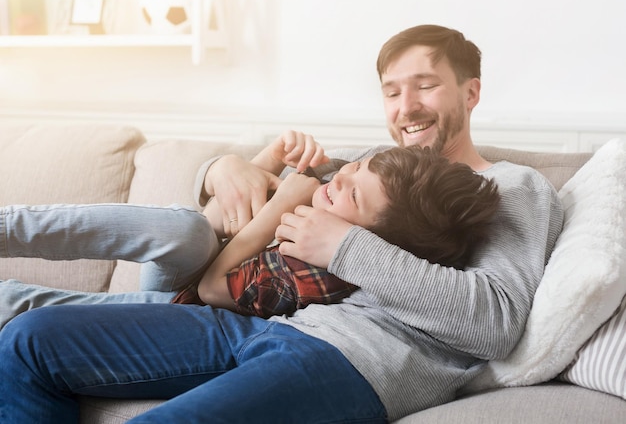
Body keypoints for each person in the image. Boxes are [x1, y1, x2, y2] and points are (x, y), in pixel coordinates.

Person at [0, 24, 564, 424]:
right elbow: (268, 179)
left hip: (355, 359)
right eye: (392, 91)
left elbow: (495, 319)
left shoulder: (512, 187)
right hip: (260, 322)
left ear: (471, 93)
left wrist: (342, 245)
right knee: (26, 340)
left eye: (425, 85)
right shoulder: (369, 162)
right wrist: (222, 168)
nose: (406, 106)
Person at [0, 132, 498, 324]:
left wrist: (279, 202)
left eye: (350, 190)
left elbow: (213, 288)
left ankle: (11, 301)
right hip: (195, 252)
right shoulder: (338, 187)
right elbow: (217, 214)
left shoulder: (322, 273)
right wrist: (262, 161)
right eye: (349, 172)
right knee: (189, 233)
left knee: (154, 299)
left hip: (191, 307)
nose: (337, 179)